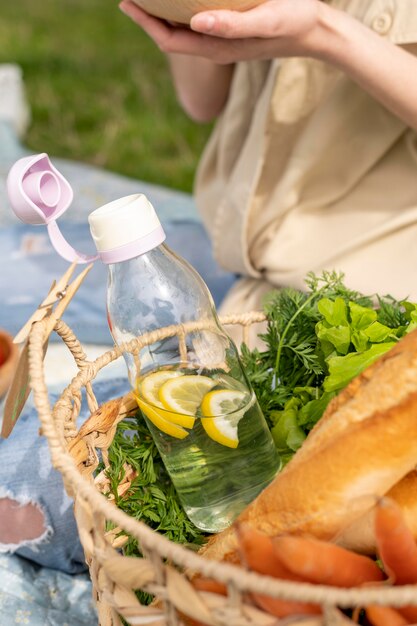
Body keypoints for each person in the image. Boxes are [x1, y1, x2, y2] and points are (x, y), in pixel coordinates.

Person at [119, 0, 417, 317]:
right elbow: (201, 100)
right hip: (263, 294)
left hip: (388, 304)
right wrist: (185, 13)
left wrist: (325, 34)